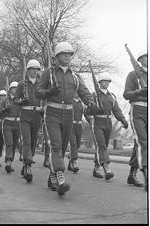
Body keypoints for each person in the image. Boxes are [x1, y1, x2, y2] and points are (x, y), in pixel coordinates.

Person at [36, 42, 100, 195]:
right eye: (63, 53)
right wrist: (49, 91)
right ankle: (59, 175)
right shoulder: (47, 73)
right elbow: (38, 92)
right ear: (56, 56)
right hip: (52, 111)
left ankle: (52, 174)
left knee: (63, 147)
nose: (67, 56)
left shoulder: (75, 76)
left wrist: (90, 102)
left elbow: (84, 92)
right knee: (56, 145)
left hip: (68, 114)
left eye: (69, 54)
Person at [89, 72, 129, 180]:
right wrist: (96, 109)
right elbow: (87, 111)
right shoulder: (93, 95)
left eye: (108, 81)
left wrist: (123, 120)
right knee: (101, 145)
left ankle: (96, 168)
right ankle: (106, 167)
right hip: (97, 121)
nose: (106, 83)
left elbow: (116, 110)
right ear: (100, 82)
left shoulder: (112, 96)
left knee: (104, 147)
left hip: (108, 123)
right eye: (104, 81)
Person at [14, 59, 43, 183]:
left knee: (33, 142)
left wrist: (44, 109)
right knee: (27, 140)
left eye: (36, 69)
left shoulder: (41, 84)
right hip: (25, 113)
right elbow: (15, 99)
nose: (34, 71)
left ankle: (26, 164)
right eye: (32, 69)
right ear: (28, 70)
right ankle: (28, 166)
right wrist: (21, 102)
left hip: (37, 114)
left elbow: (46, 98)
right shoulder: (21, 84)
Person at [123, 50, 147, 191]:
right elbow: (126, 94)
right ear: (140, 59)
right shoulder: (133, 74)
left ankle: (132, 173)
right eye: (146, 56)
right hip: (137, 110)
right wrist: (139, 92)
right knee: (143, 141)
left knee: (140, 144)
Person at [1, 81, 21, 173]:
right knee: (9, 143)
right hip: (8, 123)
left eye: (17, 88)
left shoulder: (20, 100)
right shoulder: (5, 100)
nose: (16, 90)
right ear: (10, 90)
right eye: (14, 88)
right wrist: (5, 110)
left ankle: (10, 161)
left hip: (18, 124)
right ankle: (8, 161)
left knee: (14, 144)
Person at [67, 95, 89, 173]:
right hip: (70, 125)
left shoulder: (82, 104)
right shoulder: (69, 101)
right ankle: (74, 162)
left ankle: (70, 163)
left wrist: (91, 121)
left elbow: (86, 115)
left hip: (79, 126)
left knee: (77, 145)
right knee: (73, 144)